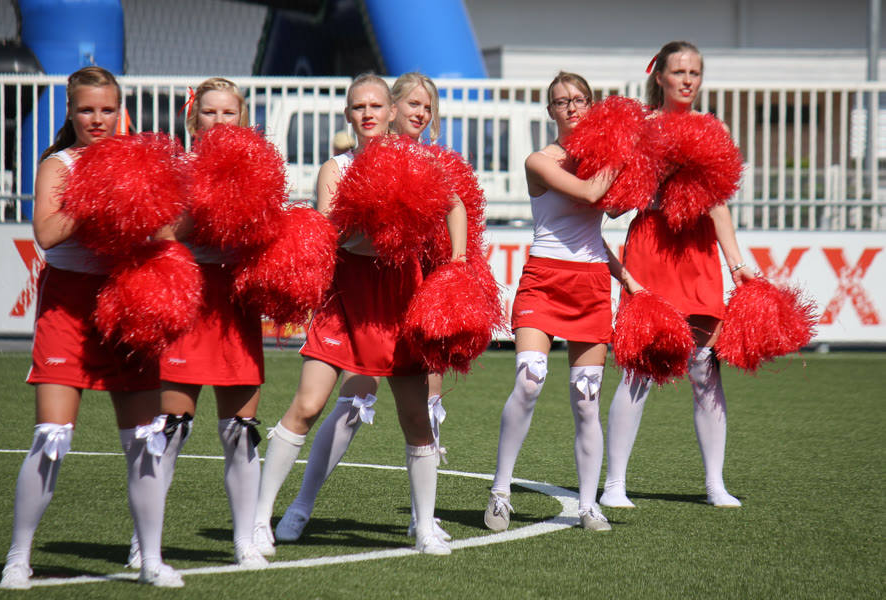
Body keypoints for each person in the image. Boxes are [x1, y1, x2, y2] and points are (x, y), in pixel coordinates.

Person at [254, 73, 466, 556]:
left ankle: (425, 527)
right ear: (349, 115)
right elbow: (332, 233)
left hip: (400, 293)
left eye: (375, 105)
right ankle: (260, 518)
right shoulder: (337, 167)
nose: (367, 113)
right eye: (358, 107)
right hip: (347, 295)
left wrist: (456, 264)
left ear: (391, 112)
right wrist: (371, 209)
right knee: (309, 404)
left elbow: (454, 205)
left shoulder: (418, 160)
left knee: (416, 416)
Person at [1, 66, 183, 589]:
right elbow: (45, 233)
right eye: (86, 109)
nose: (97, 119)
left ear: (120, 110)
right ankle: (18, 558)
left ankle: (150, 560)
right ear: (70, 112)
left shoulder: (138, 160)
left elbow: (167, 232)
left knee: (145, 439)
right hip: (69, 305)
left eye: (107, 109)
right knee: (51, 436)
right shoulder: (57, 164)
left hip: (129, 301)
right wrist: (98, 192)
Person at [483, 72, 641, 533]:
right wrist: (620, 151)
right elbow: (591, 193)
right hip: (543, 280)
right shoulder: (540, 160)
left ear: (591, 106)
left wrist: (627, 279)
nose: (571, 107)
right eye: (560, 101)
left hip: (590, 285)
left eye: (579, 99)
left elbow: (603, 220)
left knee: (586, 400)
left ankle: (588, 505)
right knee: (529, 381)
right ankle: (500, 491)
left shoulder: (598, 162)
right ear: (550, 111)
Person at [599, 41, 755, 510]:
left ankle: (714, 484)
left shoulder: (714, 128)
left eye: (694, 72)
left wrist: (737, 264)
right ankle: (614, 484)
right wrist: (652, 170)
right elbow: (613, 205)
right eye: (679, 71)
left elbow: (718, 204)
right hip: (651, 245)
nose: (687, 80)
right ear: (660, 76)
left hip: (697, 250)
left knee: (706, 367)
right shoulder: (640, 127)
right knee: (639, 369)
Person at [123, 78, 268, 571]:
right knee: (171, 428)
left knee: (241, 430)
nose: (219, 122)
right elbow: (159, 234)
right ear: (193, 119)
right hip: (186, 296)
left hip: (234, 303)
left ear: (241, 119)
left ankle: (244, 541)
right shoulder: (175, 168)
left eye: (229, 113)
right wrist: (205, 200)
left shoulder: (258, 170)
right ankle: (145, 541)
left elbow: (268, 238)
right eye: (210, 113)